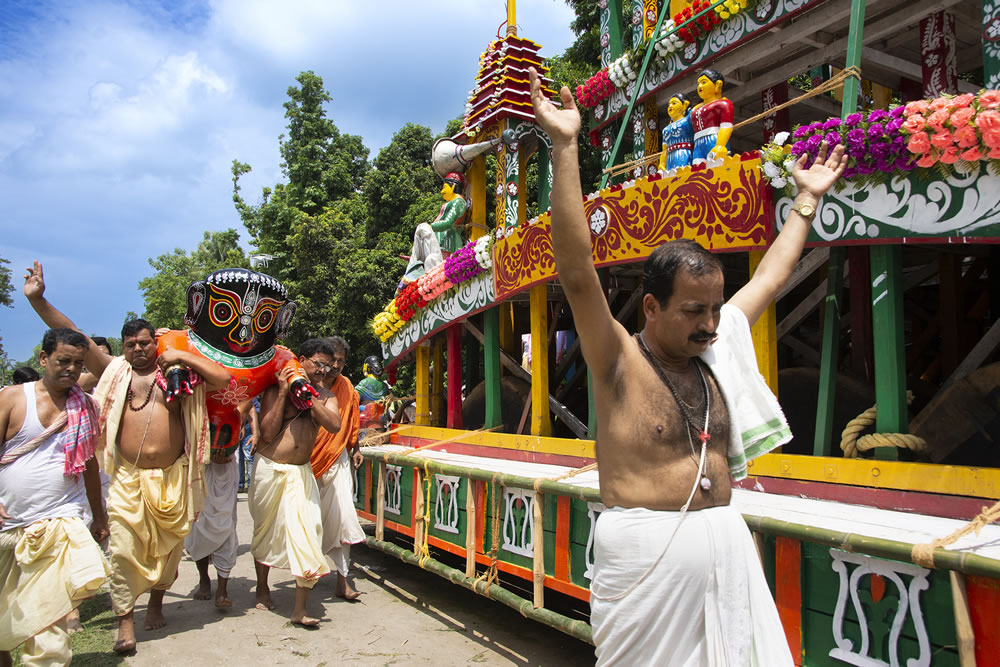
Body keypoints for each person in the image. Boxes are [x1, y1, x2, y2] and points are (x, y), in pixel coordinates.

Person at [528, 67, 845, 664]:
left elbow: (773, 276)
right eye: (693, 311)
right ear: (651, 307)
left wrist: (806, 199)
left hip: (724, 551)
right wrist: (566, 147)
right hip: (645, 568)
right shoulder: (617, 358)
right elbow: (574, 271)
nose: (709, 324)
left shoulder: (717, 344)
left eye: (715, 309)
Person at [23, 261, 231, 655]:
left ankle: (156, 604)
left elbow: (222, 379)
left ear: (157, 343)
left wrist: (182, 359)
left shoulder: (178, 375)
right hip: (127, 479)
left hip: (172, 479)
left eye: (145, 343)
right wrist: (39, 300)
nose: (138, 349)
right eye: (131, 344)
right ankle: (125, 622)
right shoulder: (115, 371)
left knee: (166, 553)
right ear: (123, 347)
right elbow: (78, 337)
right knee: (122, 551)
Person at [0, 328, 111, 667]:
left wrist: (100, 514)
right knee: (4, 616)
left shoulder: (84, 406)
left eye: (78, 364)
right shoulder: (12, 398)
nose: (71, 370)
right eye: (63, 361)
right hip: (9, 525)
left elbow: (90, 465)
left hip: (60, 522)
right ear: (44, 359)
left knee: (48, 624)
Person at [250, 338, 342, 627]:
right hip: (270, 469)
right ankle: (263, 587)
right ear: (302, 359)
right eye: (317, 364)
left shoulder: (325, 395)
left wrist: (310, 397)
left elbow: (335, 425)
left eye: (327, 366)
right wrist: (283, 392)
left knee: (309, 534)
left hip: (301, 473)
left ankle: (300, 609)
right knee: (264, 531)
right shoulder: (274, 388)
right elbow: (266, 434)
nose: (322, 370)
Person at [311, 336, 364, 601]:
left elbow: (352, 421)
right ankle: (306, 576)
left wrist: (356, 449)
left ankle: (342, 581)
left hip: (338, 457)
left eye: (341, 362)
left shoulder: (347, 388)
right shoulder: (309, 383)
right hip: (307, 462)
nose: (336, 366)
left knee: (343, 516)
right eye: (332, 360)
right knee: (308, 521)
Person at [690, 69, 734, 165]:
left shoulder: (723, 104)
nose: (700, 86)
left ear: (718, 85)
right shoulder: (695, 109)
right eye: (698, 84)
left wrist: (720, 145)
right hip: (698, 144)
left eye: (704, 82)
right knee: (697, 173)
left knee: (717, 170)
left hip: (714, 139)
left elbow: (726, 126)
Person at [657, 92, 694, 173]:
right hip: (670, 158)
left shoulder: (688, 120)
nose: (670, 106)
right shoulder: (666, 129)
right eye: (669, 104)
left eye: (674, 103)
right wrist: (662, 163)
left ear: (685, 105)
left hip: (684, 154)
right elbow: (664, 150)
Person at [237, 397, 260, 492]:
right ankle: (239, 484)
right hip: (234, 428)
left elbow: (255, 410)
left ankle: (251, 484)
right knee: (238, 458)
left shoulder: (249, 396)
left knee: (249, 456)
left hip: (248, 429)